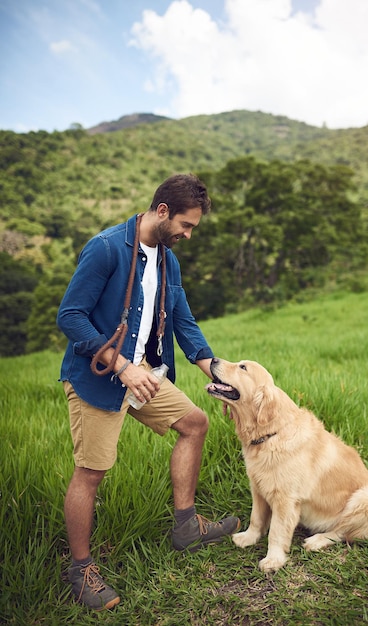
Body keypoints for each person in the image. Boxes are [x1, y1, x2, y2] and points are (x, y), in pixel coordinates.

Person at [57, 174, 240, 611]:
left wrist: (214, 371)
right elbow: (70, 315)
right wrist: (120, 365)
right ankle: (80, 569)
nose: (188, 234)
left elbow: (183, 321)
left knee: (195, 424)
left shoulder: (167, 259)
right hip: (100, 375)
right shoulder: (105, 249)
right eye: (186, 225)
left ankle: (186, 528)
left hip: (144, 372)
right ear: (162, 211)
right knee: (92, 471)